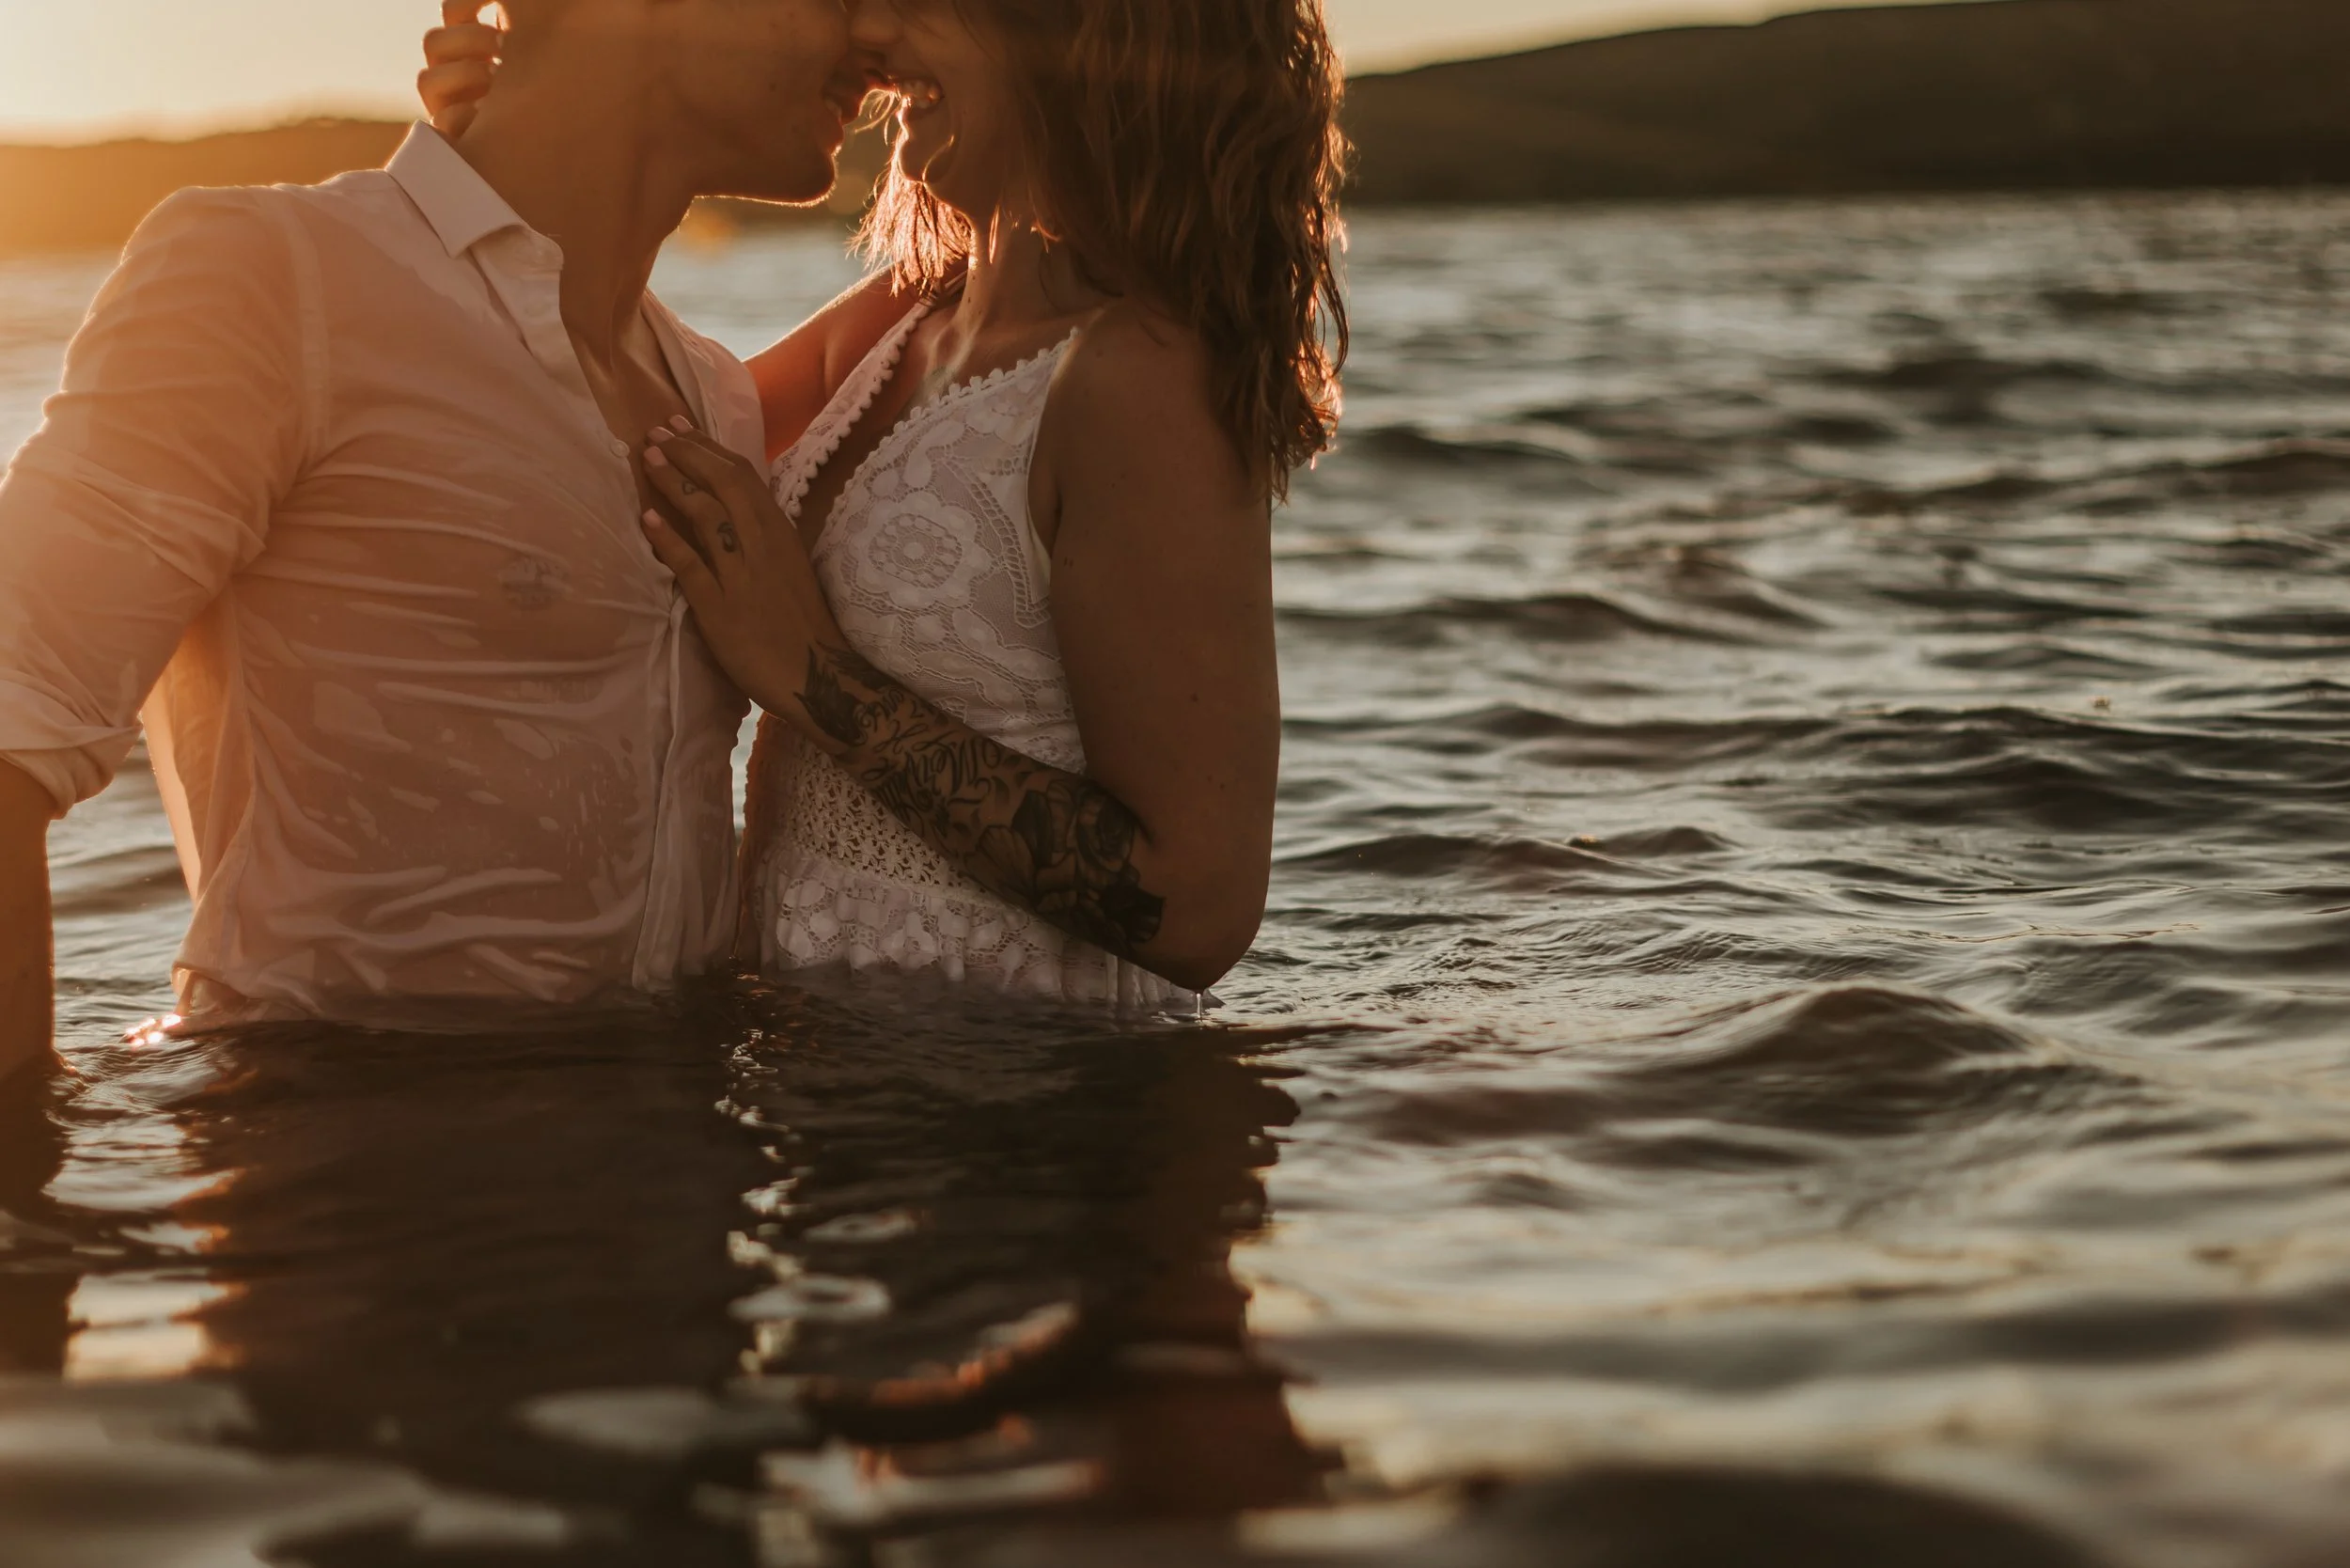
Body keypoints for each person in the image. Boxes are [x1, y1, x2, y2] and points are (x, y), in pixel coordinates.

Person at [0, 0, 896, 1088]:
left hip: (678, 1205)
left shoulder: (711, 393)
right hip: (365, 1193)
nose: (876, 36)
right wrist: (32, 1216)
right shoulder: (275, 275)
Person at [421, 0, 1349, 1010]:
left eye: (918, 5)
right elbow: (607, 428)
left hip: (1024, 1109)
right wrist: (516, 151)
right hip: (828, 1091)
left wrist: (816, 676)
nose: (868, 34)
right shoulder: (902, 319)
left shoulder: (1138, 376)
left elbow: (1196, 907)